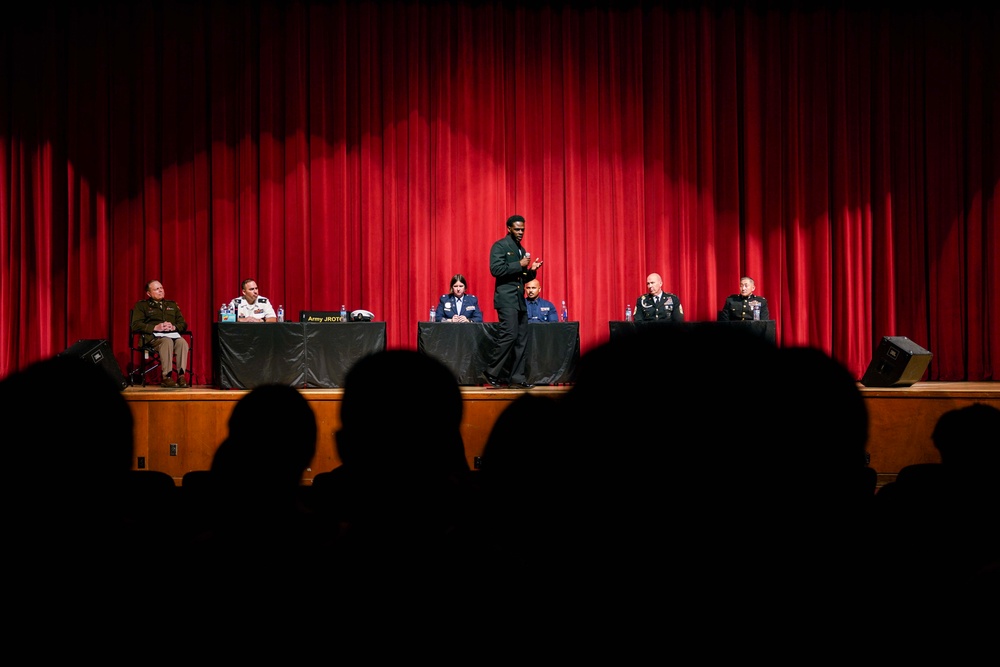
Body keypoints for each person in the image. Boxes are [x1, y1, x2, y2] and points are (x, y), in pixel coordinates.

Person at [485, 214, 543, 388]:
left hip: (519, 300)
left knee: (521, 339)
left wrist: (531, 270)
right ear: (509, 228)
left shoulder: (521, 249)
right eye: (517, 229)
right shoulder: (500, 246)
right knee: (509, 334)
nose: (520, 232)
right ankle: (491, 372)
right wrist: (519, 263)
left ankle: (517, 378)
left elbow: (522, 278)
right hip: (506, 299)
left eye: (522, 230)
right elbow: (495, 269)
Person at [130, 279, 191, 388]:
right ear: (149, 293)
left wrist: (174, 327)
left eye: (161, 288)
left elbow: (183, 324)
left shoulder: (172, 305)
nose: (160, 291)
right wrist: (155, 327)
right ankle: (166, 377)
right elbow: (135, 325)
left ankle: (181, 376)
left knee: (182, 342)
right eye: (156, 289)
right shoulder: (141, 306)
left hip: (172, 336)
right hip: (152, 338)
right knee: (166, 342)